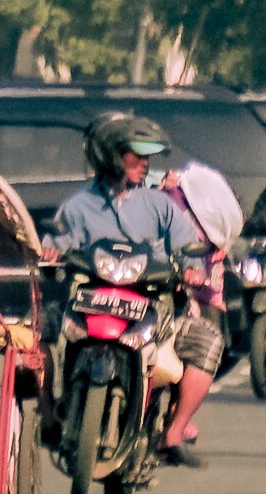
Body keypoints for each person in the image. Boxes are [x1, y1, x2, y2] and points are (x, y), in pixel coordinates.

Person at [47, 118, 227, 470]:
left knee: (207, 341)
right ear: (111, 156)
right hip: (87, 305)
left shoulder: (159, 205)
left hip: (150, 308)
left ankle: (173, 432)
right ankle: (51, 417)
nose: (144, 164)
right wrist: (51, 253)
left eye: (147, 158)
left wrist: (191, 267)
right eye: (136, 156)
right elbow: (57, 243)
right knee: (32, 338)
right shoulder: (78, 206)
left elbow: (186, 246)